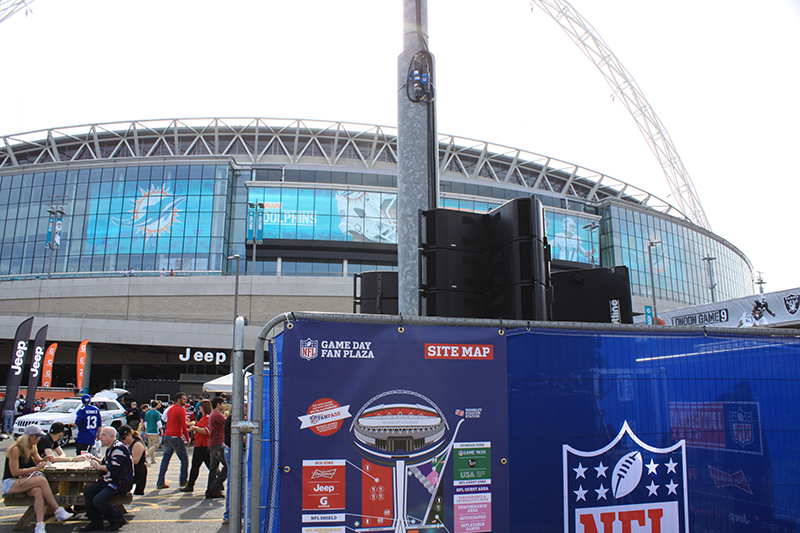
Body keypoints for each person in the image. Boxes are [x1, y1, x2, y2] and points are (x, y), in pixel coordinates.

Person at [2, 425, 74, 533]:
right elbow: (14, 472)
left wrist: (45, 459)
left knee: (38, 491)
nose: (38, 439)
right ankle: (58, 510)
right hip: (11, 482)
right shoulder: (16, 449)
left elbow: (38, 462)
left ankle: (39, 525)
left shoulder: (32, 447)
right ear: (29, 436)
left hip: (24, 480)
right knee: (41, 480)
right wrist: (34, 468)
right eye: (37, 437)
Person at [81, 426, 133, 532]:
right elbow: (106, 463)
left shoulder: (118, 448)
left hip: (121, 481)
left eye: (104, 435)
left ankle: (117, 519)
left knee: (98, 500)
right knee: (88, 492)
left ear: (112, 436)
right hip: (110, 479)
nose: (100, 437)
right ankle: (96, 522)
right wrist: (95, 460)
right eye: (101, 435)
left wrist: (98, 467)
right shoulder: (111, 447)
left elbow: (114, 467)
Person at [156, 392, 190, 489]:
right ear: (179, 400)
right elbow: (184, 425)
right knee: (184, 459)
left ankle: (160, 481)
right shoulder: (181, 410)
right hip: (176, 436)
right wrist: (187, 438)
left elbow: (166, 420)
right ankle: (183, 480)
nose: (185, 401)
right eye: (183, 399)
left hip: (168, 435)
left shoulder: (170, 409)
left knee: (165, 460)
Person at [180, 399, 212, 492]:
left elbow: (206, 431)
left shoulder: (207, 418)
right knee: (210, 466)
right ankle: (218, 483)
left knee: (195, 466)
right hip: (202, 444)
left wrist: (194, 428)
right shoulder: (204, 417)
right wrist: (189, 429)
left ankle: (190, 486)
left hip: (202, 444)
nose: (199, 408)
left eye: (200, 407)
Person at [205, 397, 227, 499]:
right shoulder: (218, 415)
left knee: (213, 469)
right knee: (228, 464)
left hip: (212, 444)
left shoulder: (213, 414)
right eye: (223, 404)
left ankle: (210, 490)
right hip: (218, 443)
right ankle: (216, 485)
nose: (224, 406)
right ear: (218, 404)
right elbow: (228, 424)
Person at [118, 425, 147, 496]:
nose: (122, 440)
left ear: (130, 434)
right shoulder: (127, 444)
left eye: (123, 438)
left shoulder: (137, 444)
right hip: (130, 472)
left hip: (138, 473)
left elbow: (135, 461)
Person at [144, 400, 162, 465]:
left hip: (148, 430)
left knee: (151, 445)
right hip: (155, 431)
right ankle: (146, 454)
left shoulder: (147, 413)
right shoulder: (157, 413)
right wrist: (161, 430)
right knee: (156, 444)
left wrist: (146, 430)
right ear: (156, 405)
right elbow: (159, 423)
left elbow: (145, 422)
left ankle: (153, 459)